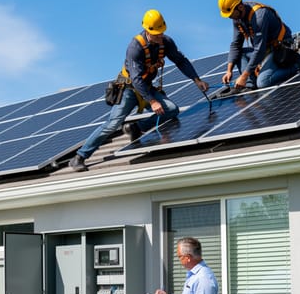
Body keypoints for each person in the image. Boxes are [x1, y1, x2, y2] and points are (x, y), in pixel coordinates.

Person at [69, 9, 209, 172]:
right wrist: (153, 101)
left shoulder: (166, 42)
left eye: (161, 32)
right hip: (129, 88)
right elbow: (136, 80)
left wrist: (196, 79)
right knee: (113, 123)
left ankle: (137, 127)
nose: (159, 36)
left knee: (171, 110)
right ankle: (80, 156)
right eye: (155, 34)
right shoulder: (135, 47)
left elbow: (181, 61)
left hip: (147, 87)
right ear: (147, 30)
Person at [218, 0, 300, 91]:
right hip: (263, 49)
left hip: (279, 48)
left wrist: (243, 76)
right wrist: (229, 71)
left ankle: (297, 65)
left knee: (263, 82)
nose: (230, 17)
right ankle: (250, 83)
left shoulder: (259, 16)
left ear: (240, 7)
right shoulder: (237, 18)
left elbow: (259, 50)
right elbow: (236, 44)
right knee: (239, 54)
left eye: (231, 14)